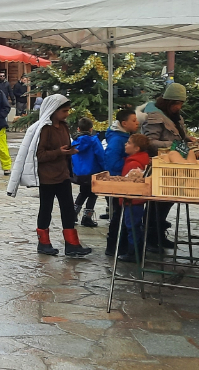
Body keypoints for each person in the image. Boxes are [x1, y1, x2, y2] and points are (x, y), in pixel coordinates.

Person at [8, 94, 91, 258]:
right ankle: (43, 243)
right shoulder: (44, 129)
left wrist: (69, 151)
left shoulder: (64, 127)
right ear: (53, 111)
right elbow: (39, 155)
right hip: (47, 177)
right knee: (46, 209)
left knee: (68, 209)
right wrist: (58, 152)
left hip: (63, 174)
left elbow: (63, 147)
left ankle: (72, 244)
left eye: (68, 111)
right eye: (64, 111)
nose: (67, 114)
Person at [140, 82, 191, 251]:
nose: (179, 107)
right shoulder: (154, 116)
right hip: (159, 166)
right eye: (177, 103)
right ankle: (150, 238)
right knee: (157, 203)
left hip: (173, 165)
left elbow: (179, 134)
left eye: (181, 104)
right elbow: (149, 141)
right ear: (169, 102)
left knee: (167, 202)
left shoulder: (175, 116)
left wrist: (187, 139)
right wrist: (174, 144)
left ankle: (159, 235)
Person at [102, 108, 139, 257]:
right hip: (118, 182)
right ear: (124, 123)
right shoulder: (118, 140)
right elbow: (111, 162)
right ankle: (113, 247)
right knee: (119, 215)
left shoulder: (124, 136)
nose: (137, 123)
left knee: (121, 215)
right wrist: (129, 162)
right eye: (134, 121)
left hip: (123, 181)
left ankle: (119, 246)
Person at [117, 134, 152, 262]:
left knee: (132, 225)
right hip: (138, 200)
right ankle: (136, 250)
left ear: (136, 148)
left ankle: (134, 253)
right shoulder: (142, 159)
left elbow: (129, 183)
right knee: (134, 225)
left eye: (129, 143)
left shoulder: (133, 163)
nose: (126, 144)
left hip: (132, 199)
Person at [70, 117, 103, 228]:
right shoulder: (94, 140)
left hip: (80, 173)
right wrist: (105, 168)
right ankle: (87, 217)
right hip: (93, 171)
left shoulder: (75, 141)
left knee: (83, 192)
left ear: (78, 129)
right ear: (91, 129)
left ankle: (73, 214)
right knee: (93, 194)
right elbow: (100, 155)